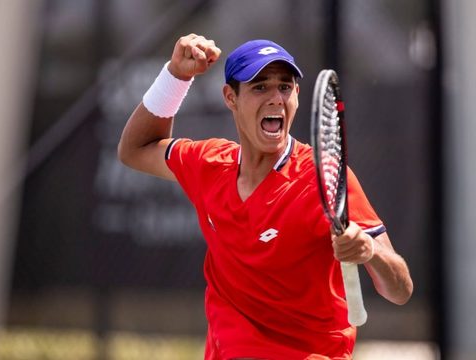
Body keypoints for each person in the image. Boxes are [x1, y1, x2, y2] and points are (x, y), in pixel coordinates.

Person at [118, 33, 413, 360]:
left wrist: (369, 250)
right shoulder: (210, 164)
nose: (276, 98)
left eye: (284, 87)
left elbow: (400, 290)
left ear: (297, 96)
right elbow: (135, 149)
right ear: (231, 97)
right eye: (260, 87)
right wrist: (176, 75)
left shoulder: (324, 178)